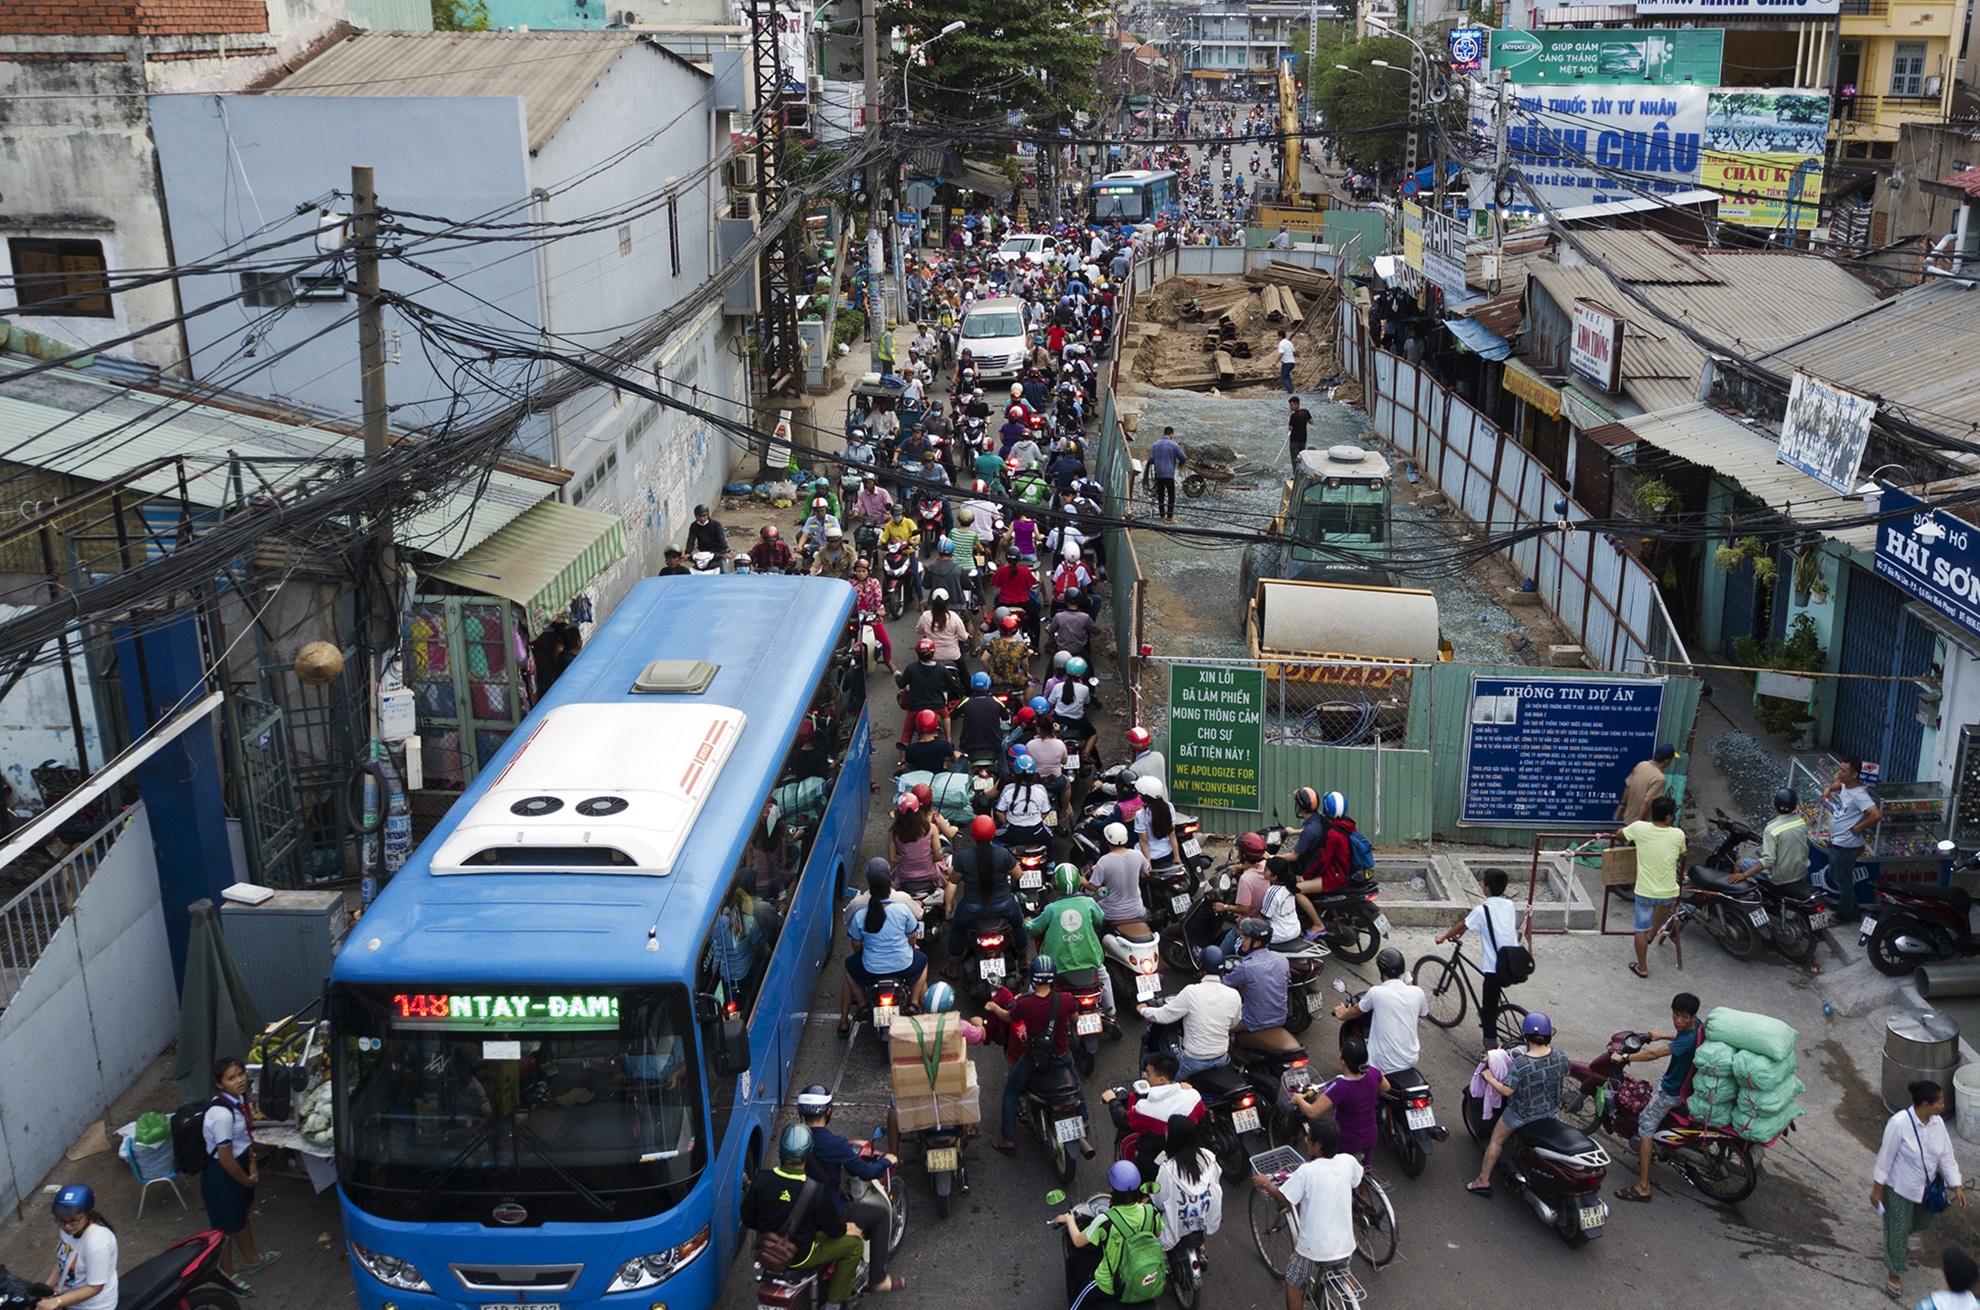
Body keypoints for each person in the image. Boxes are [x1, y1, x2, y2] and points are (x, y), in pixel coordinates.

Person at [741, 1125, 867, 1310]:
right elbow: (833, 1229)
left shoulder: (761, 1179)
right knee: (855, 1246)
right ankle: (834, 1304)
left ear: (781, 1151)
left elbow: (748, 1218)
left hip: (766, 1248)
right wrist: (846, 1229)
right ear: (807, 1155)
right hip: (800, 1256)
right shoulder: (815, 1190)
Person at [796, 1086, 905, 1294]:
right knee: (881, 1215)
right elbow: (863, 1172)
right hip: (833, 1212)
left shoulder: (793, 1140)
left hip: (802, 1212)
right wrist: (886, 1162)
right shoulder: (835, 1144)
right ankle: (878, 1279)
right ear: (828, 1112)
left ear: (801, 1113)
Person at [988, 955, 1093, 1156]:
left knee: (1011, 1092)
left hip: (1034, 1060)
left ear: (1032, 978)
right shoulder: (1065, 999)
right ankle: (1085, 1119)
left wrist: (994, 1007)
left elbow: (1007, 1017)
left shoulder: (1025, 1005)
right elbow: (1075, 1019)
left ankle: (1007, 1140)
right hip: (1062, 1056)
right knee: (1077, 1086)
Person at [1252, 1118, 1360, 1310]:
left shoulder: (1307, 1172)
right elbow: (1356, 1180)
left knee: (1293, 1280)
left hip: (1313, 1250)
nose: (1305, 1141)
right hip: (1344, 1243)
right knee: (1342, 1271)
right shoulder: (1347, 1161)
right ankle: (1351, 1301)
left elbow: (1283, 1197)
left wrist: (1266, 1184)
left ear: (1318, 1145)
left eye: (1309, 1138)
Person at [1875, 1080, 1969, 1299]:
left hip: (1925, 1189)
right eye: (1940, 1102)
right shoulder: (1899, 1124)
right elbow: (1885, 1157)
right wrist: (1877, 1188)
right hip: (1899, 1187)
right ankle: (1895, 1274)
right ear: (1926, 1104)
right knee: (1899, 1231)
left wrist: (1957, 1186)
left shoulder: (1938, 1125)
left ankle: (1894, 1239)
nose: (1943, 1106)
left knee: (1921, 1223)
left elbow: (1946, 1156)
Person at [1613, 991, 1701, 1205]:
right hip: (1687, 1087)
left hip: (1672, 1091)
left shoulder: (1687, 1039)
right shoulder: (1698, 1026)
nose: (1679, 1021)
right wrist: (1663, 1035)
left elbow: (1654, 1055)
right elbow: (1682, 1039)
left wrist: (1624, 1056)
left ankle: (1643, 1186)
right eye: (1676, 1015)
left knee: (1645, 1126)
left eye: (1684, 1017)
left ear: (1693, 1015)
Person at [1466, 1012, 1567, 1197]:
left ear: (1525, 1036)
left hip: (1521, 1115)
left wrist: (1489, 1077)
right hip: (1549, 1111)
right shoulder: (1559, 1055)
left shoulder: (1522, 1063)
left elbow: (1506, 1091)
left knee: (1496, 1140)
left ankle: (1482, 1180)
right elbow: (1566, 1073)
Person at [202, 1057, 275, 1289]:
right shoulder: (222, 1115)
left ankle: (252, 1259)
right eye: (231, 1078)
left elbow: (243, 1139)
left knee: (241, 1216)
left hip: (240, 1164)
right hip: (223, 1174)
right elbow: (225, 1159)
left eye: (241, 1074)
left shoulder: (238, 1101)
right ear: (219, 1084)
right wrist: (245, 1180)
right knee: (223, 1228)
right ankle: (227, 1274)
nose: (239, 1080)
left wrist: (251, 1162)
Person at [1435, 865, 1520, 1054]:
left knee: (1488, 1011)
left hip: (1495, 968)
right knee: (1493, 998)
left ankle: (1490, 1050)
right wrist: (1464, 929)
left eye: (1483, 884)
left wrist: (1443, 936)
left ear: (1487, 888)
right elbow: (1484, 925)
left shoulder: (1482, 910)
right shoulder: (1509, 905)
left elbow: (1461, 924)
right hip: (1513, 963)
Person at [1059, 1158, 1165, 1309]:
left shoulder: (1105, 1220)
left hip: (1108, 1285)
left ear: (1111, 1189)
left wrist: (1069, 1219)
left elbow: (1077, 1241)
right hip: (1141, 1275)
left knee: (1076, 1306)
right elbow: (1158, 1233)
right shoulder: (1151, 1213)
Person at [839, 864, 926, 1035]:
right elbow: (912, 936)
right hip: (904, 964)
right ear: (889, 889)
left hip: (871, 968)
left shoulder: (861, 915)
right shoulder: (902, 909)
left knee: (849, 966)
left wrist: (861, 952)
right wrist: (912, 946)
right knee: (923, 961)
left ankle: (862, 1005)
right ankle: (914, 1003)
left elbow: (856, 945)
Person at [1026, 863, 1117, 1024]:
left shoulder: (1051, 909)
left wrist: (1026, 922)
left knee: (1035, 984)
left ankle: (1032, 1018)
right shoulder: (1089, 903)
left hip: (1058, 964)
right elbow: (1100, 920)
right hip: (1091, 960)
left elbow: (1033, 929)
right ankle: (1111, 1013)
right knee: (1104, 976)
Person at [1138, 947, 1242, 1078]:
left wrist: (1143, 1010)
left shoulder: (1191, 992)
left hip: (1193, 1061)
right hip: (1222, 1058)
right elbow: (1233, 1024)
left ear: (1200, 967)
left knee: (1160, 1081)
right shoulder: (1234, 994)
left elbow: (1163, 1016)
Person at [1100, 1052, 1205, 1176]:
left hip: (1151, 1163)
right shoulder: (1193, 1096)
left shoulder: (1146, 1109)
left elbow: (1122, 1120)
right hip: (1186, 1155)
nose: (1145, 1077)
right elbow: (1201, 1123)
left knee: (1121, 1175)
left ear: (1161, 1079)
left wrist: (1112, 1101)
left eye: (1148, 1074)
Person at [1616, 795, 1686, 980]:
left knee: (1640, 929)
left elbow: (1619, 834)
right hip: (1668, 891)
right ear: (1669, 816)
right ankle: (1653, 933)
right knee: (1660, 911)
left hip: (1645, 891)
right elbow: (1682, 852)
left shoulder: (1640, 828)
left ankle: (1642, 966)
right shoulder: (1678, 834)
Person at [1289, 1032, 1386, 1164]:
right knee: (1363, 1169)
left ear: (1343, 1062)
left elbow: (1312, 1112)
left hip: (1345, 1142)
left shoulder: (1340, 1087)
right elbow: (1386, 1087)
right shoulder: (1373, 1073)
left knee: (1317, 1161)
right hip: (1370, 1136)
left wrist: (1298, 1099)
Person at [946, 815, 1024, 974]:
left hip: (971, 908)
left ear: (973, 835)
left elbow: (953, 879)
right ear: (993, 834)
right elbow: (1018, 875)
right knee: (1018, 924)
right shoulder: (1003, 854)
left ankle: (953, 968)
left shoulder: (964, 857)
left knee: (956, 930)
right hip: (1004, 906)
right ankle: (1023, 961)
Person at [1334, 947, 1427, 1079]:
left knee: (1349, 1051)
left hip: (1383, 1064)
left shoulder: (1376, 992)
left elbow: (1356, 1011)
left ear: (1382, 972)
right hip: (1410, 1059)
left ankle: (1353, 1086)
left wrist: (1342, 1014)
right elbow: (1422, 1014)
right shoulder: (1418, 992)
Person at [1821, 754, 1882, 923]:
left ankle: (1844, 915)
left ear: (1854, 775)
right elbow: (1838, 784)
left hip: (1847, 845)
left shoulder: (1859, 795)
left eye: (1843, 770)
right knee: (1836, 876)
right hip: (1837, 841)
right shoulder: (1847, 785)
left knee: (1844, 882)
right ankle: (1854, 911)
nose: (1839, 773)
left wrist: (1858, 827)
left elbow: (1876, 814)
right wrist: (1828, 790)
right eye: (1839, 769)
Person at [1151, 1116, 1223, 1254]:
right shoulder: (1208, 1157)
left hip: (1178, 1224)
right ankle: (1202, 1250)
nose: (1164, 1131)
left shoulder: (1168, 1170)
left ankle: (1165, 1260)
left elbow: (1158, 1202)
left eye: (1167, 1130)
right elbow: (1216, 1181)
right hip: (1204, 1214)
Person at [39, 1184, 117, 1310]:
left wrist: (58, 1301)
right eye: (61, 1220)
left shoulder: (97, 1244)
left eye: (73, 1220)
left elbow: (94, 1288)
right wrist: (46, 1289)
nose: (67, 1226)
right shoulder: (69, 1230)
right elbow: (63, 1261)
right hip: (68, 1297)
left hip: (92, 1307)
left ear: (88, 1213)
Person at [1222, 919, 1291, 1048]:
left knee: (1217, 1024)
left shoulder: (1247, 967)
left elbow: (1222, 985)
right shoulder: (1282, 959)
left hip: (1252, 1022)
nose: (1242, 940)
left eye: (1246, 938)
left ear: (1257, 943)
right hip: (1280, 1018)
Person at [1733, 787, 1810, 885]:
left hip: (1780, 878)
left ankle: (1739, 894)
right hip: (1800, 873)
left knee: (1739, 864)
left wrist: (1743, 875)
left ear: (1775, 805)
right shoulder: (1801, 823)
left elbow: (1768, 860)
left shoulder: (1772, 829)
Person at [1288, 789, 1354, 897]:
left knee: (1295, 890)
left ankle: (1314, 915)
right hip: (1340, 870)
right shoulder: (1342, 825)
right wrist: (1296, 832)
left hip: (1335, 876)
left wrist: (1304, 877)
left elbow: (1323, 861)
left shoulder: (1333, 834)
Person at [895, 638, 960, 745]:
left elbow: (901, 684)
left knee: (906, 734)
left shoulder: (911, 668)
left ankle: (903, 760)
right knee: (946, 715)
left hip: (915, 707)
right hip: (938, 705)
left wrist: (897, 676)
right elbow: (952, 685)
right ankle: (949, 739)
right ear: (933, 653)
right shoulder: (941, 668)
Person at [1089, 821, 1152, 931]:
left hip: (1111, 914)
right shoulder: (1137, 854)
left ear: (1108, 841)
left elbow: (1093, 887)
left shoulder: (1104, 861)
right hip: (1137, 911)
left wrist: (1081, 881)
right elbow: (1146, 870)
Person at [889, 791, 949, 894]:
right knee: (950, 882)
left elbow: (893, 858)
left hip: (905, 876)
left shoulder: (894, 832)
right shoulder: (931, 828)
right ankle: (949, 907)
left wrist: (909, 858)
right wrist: (926, 857)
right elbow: (939, 856)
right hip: (930, 873)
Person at [996, 755, 1055, 847]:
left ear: (1014, 773)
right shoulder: (1041, 790)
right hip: (1037, 833)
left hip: (1013, 834)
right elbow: (1045, 812)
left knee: (993, 839)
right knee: (1050, 838)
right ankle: (1051, 861)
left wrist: (1007, 824)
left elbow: (999, 812)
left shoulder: (1008, 790)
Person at [1615, 742, 1678, 825]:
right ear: (1667, 761)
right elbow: (1647, 801)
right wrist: (1638, 822)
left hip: (1628, 818)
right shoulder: (1660, 779)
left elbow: (1628, 786)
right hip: (1641, 824)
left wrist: (1623, 804)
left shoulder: (1641, 765)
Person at [851, 561, 896, 673]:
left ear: (868, 572)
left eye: (863, 571)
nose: (861, 574)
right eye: (858, 571)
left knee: (886, 643)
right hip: (856, 618)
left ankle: (888, 660)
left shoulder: (874, 583)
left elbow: (878, 599)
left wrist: (880, 610)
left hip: (872, 617)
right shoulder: (851, 585)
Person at [1133, 775, 1176, 869]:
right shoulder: (1169, 807)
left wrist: (1148, 863)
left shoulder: (1141, 814)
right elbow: (1172, 834)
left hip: (1153, 858)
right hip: (1167, 854)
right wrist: (1177, 858)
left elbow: (1143, 841)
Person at [1147, 427, 1186, 522]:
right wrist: (1180, 464)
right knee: (1171, 495)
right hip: (1169, 474)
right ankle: (1169, 517)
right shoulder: (1174, 445)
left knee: (1161, 494)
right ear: (1171, 434)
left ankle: (1162, 515)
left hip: (1159, 473)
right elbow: (1183, 457)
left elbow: (1151, 459)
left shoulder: (1155, 444)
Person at [900, 710, 954, 775]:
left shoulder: (911, 749)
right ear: (936, 726)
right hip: (939, 778)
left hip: (921, 779)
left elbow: (910, 766)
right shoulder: (945, 745)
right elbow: (953, 760)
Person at [1287, 395, 1311, 470]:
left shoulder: (1293, 416)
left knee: (1295, 459)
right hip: (1303, 439)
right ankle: (1302, 473)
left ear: (1296, 404)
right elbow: (1312, 421)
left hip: (1294, 440)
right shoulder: (1306, 412)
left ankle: (1296, 475)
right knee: (1302, 458)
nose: (1290, 407)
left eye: (1291, 405)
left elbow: (1290, 428)